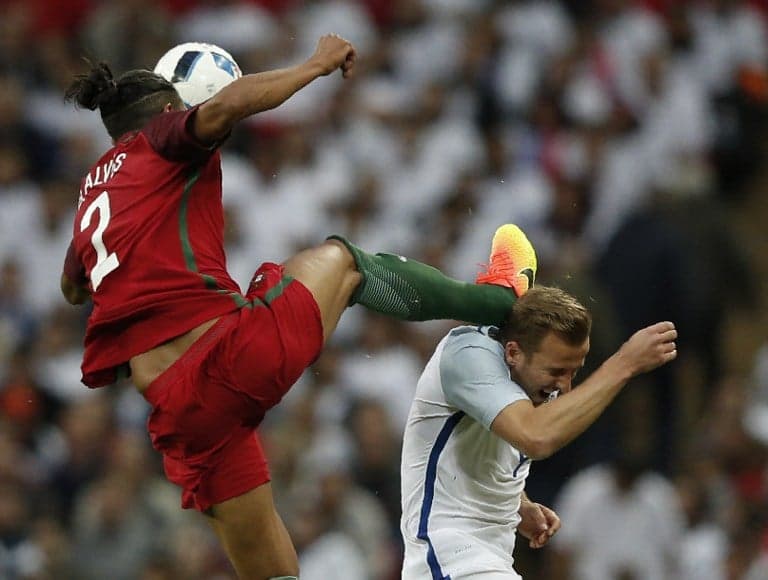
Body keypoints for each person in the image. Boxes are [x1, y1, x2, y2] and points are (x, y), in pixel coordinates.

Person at [59, 34, 536, 580]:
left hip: (179, 415)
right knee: (343, 261)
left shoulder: (91, 195)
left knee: (274, 574)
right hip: (223, 360)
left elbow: (73, 287)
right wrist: (316, 64)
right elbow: (229, 104)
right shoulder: (161, 140)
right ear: (169, 109)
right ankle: (500, 299)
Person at [400, 284, 678, 579]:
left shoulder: (529, 385)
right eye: (557, 371)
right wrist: (624, 364)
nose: (565, 387)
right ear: (513, 352)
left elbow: (473, 458)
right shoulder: (467, 353)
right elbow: (536, 437)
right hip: (449, 560)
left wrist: (518, 504)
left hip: (485, 562)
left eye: (574, 371)